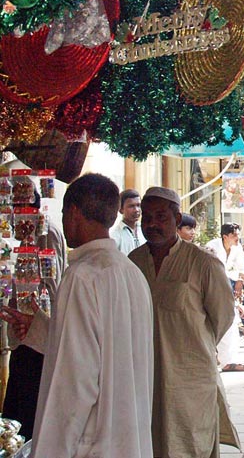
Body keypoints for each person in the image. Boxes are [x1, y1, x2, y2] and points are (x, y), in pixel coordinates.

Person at [0, 173, 154, 457]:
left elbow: (74, 381)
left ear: (72, 212)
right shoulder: (131, 273)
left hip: (92, 443)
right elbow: (107, 347)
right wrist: (44, 329)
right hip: (127, 439)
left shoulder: (83, 276)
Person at [128, 187, 239, 457]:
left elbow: (223, 316)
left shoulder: (203, 263)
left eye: (161, 217)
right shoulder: (133, 262)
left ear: (177, 219)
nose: (152, 224)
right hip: (144, 376)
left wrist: (193, 344)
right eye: (147, 218)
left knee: (190, 443)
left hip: (190, 377)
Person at [2, 182, 67, 440]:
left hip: (35, 340)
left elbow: (49, 287)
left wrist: (34, 321)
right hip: (25, 337)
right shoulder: (28, 235)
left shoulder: (45, 232)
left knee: (28, 420)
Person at [206, 222, 244, 372]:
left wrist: (243, 279)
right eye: (234, 235)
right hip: (216, 283)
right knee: (228, 319)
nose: (237, 238)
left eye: (238, 235)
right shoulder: (212, 247)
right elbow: (217, 272)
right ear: (225, 236)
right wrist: (237, 278)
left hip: (229, 280)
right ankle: (227, 361)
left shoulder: (236, 248)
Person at [110, 188, 145, 255]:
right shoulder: (115, 236)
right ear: (121, 209)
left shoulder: (144, 230)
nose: (136, 210)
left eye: (138, 205)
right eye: (131, 206)